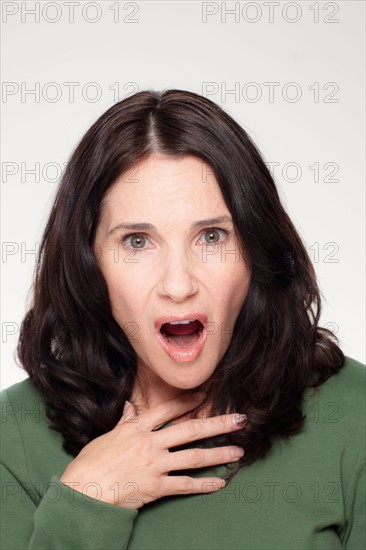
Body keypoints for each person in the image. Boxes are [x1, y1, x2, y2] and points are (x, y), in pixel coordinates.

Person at [0, 89, 364, 550]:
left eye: (211, 236)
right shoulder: (13, 435)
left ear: (255, 247)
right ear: (87, 261)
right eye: (136, 241)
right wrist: (85, 503)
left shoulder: (355, 414)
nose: (178, 284)